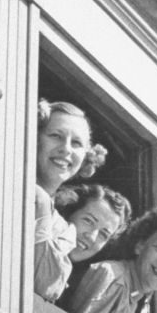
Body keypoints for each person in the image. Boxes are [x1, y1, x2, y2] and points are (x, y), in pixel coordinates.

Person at [34, 100, 107, 301]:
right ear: (35, 137)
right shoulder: (10, 187)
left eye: (76, 143)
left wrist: (41, 204)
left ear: (85, 156)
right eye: (55, 136)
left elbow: (48, 288)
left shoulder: (63, 229)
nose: (66, 149)